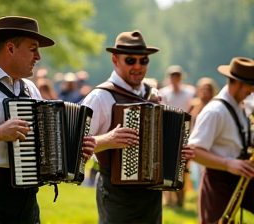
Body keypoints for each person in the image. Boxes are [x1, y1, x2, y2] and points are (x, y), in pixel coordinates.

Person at [0, 16, 96, 224]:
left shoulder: (29, 88)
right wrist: (0, 133)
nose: (38, 56)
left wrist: (74, 151)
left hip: (26, 198)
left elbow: (43, 142)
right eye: (33, 48)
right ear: (10, 48)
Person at [82, 30, 194, 224]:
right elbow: (75, 147)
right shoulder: (100, 97)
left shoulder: (154, 95)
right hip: (115, 192)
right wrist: (107, 140)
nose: (138, 67)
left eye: (144, 61)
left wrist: (179, 153)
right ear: (115, 60)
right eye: (131, 60)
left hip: (152, 192)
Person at [188, 57, 254, 224]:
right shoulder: (215, 111)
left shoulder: (240, 107)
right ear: (236, 82)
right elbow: (194, 152)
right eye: (250, 85)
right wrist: (228, 163)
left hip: (240, 178)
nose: (252, 91)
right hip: (217, 183)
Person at [159, 65, 196, 207]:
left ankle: (181, 197)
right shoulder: (163, 93)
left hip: (186, 135)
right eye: (172, 76)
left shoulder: (190, 93)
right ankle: (168, 198)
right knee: (166, 166)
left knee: (183, 167)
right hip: (168, 134)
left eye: (177, 76)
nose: (175, 79)